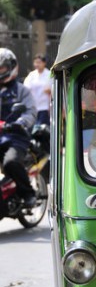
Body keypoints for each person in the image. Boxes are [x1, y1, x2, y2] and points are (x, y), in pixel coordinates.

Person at [0, 48, 38, 207]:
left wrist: (21, 122)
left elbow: (30, 111)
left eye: (3, 68)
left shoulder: (22, 91)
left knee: (10, 162)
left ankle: (28, 193)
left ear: (12, 67)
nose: (1, 71)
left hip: (17, 137)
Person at [24, 53, 52, 126]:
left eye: (39, 62)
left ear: (44, 63)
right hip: (33, 107)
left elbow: (54, 88)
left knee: (42, 129)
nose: (37, 64)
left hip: (44, 107)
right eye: (35, 62)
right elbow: (25, 88)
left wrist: (50, 90)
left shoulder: (49, 74)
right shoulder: (31, 75)